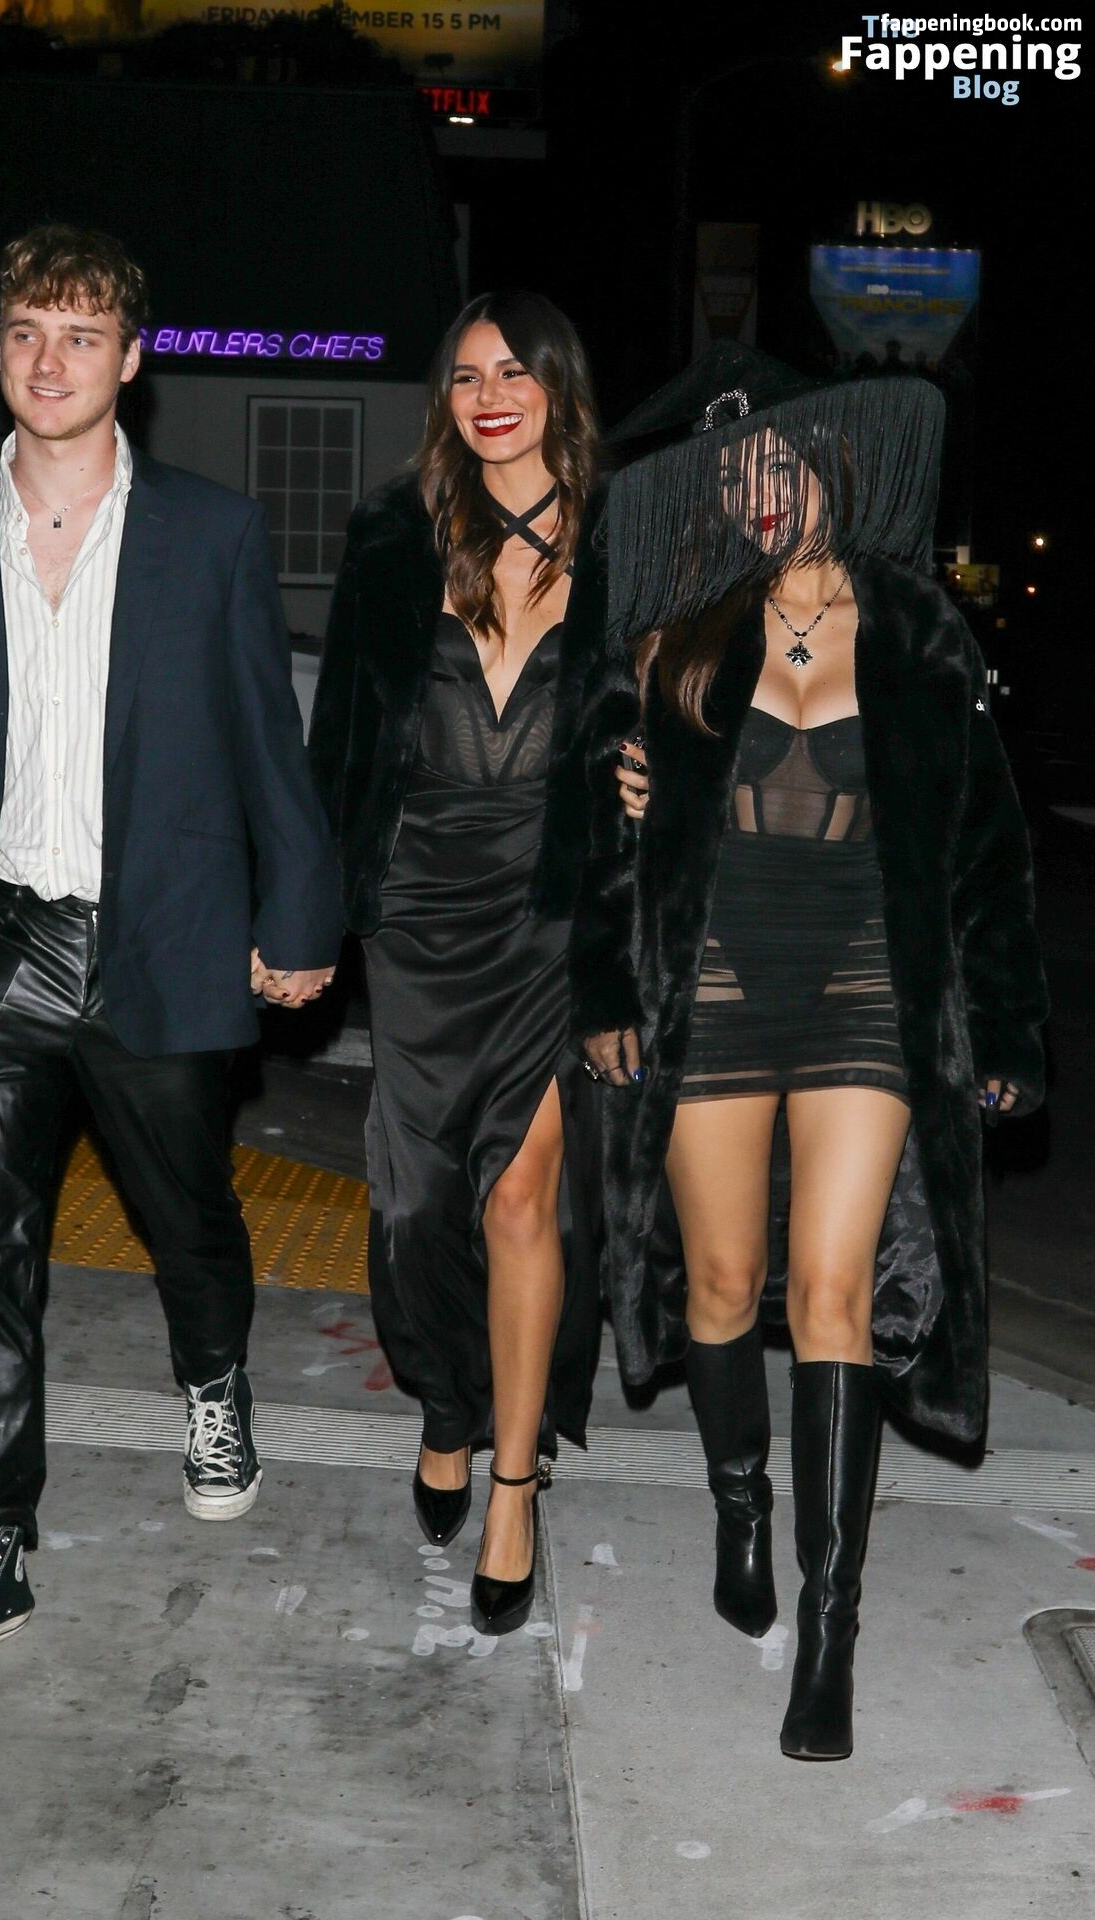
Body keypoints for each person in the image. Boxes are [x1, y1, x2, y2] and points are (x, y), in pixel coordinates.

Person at [0, 225, 341, 1675]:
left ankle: (215, 1376)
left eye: (80, 334)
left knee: (188, 1216)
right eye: (25, 331)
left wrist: (297, 918)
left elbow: (266, 739)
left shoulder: (209, 532)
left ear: (131, 361)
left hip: (163, 933)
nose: (48, 359)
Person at [573, 341, 1047, 1758]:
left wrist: (1006, 1025)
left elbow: (988, 844)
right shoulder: (678, 636)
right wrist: (612, 961)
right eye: (736, 475)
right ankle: (741, 1501)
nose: (761, 491)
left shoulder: (917, 629)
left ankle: (829, 1635)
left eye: (780, 462)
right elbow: (609, 848)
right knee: (723, 1282)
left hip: (867, 990)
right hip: (717, 985)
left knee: (832, 1293)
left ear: (828, 465)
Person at [308, 291, 606, 1637]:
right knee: (417, 1205)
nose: (491, 396)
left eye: (515, 372)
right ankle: (445, 1402)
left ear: (558, 388)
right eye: (468, 375)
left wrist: (650, 781)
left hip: (548, 917)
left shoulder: (623, 545)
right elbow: (341, 741)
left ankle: (516, 1484)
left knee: (521, 1200)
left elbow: (679, 709)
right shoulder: (395, 532)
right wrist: (300, 918)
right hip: (419, 912)